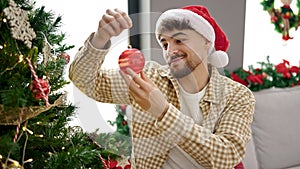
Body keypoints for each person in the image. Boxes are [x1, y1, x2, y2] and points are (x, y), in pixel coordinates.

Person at [69, 5, 255, 169]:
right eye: (165, 43)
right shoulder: (149, 76)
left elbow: (226, 157)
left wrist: (163, 112)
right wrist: (100, 39)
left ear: (207, 43)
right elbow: (85, 80)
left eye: (179, 40)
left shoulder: (237, 95)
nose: (170, 51)